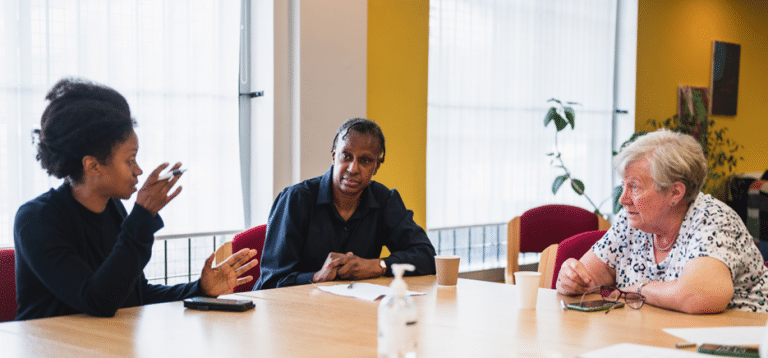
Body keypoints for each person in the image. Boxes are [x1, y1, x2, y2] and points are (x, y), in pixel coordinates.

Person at [14, 78, 258, 320]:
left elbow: (134, 296)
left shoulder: (113, 209)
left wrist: (200, 290)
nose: (138, 170)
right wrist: (141, 216)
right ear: (93, 165)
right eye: (130, 160)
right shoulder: (36, 221)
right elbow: (97, 301)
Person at [556, 129, 768, 313]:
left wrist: (638, 289)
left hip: (737, 343)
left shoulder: (713, 220)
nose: (623, 199)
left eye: (635, 187)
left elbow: (697, 297)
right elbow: (587, 280)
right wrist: (570, 279)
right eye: (624, 185)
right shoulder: (632, 221)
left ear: (675, 192)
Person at [254, 118, 436, 289]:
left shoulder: (384, 200)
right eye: (346, 156)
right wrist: (316, 277)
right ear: (334, 157)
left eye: (365, 161)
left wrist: (376, 265)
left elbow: (426, 256)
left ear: (376, 167)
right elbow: (270, 282)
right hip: (290, 313)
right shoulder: (295, 200)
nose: (353, 169)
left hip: (350, 311)